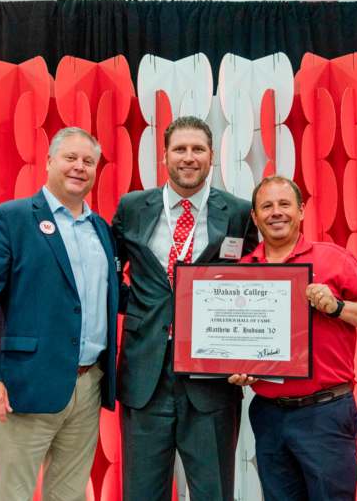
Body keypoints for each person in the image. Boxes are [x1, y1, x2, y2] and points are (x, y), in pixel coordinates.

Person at [0, 127, 119, 501]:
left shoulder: (101, 229)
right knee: (12, 494)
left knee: (69, 495)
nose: (79, 167)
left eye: (88, 161)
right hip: (24, 387)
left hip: (87, 386)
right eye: (70, 158)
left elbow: (102, 298)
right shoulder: (11, 218)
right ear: (49, 162)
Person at [112, 115, 259, 501]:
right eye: (180, 149)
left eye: (198, 149)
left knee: (214, 493)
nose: (188, 157)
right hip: (147, 378)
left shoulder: (239, 212)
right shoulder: (131, 207)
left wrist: (251, 349)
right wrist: (141, 309)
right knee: (142, 494)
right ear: (164, 157)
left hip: (211, 381)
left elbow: (259, 282)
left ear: (212, 156)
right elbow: (107, 275)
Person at [229, 175, 357, 501]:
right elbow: (238, 340)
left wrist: (337, 307)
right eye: (267, 206)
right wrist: (237, 368)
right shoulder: (242, 271)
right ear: (255, 217)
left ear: (301, 211)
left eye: (285, 204)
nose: (277, 212)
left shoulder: (332, 258)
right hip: (268, 413)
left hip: (325, 414)